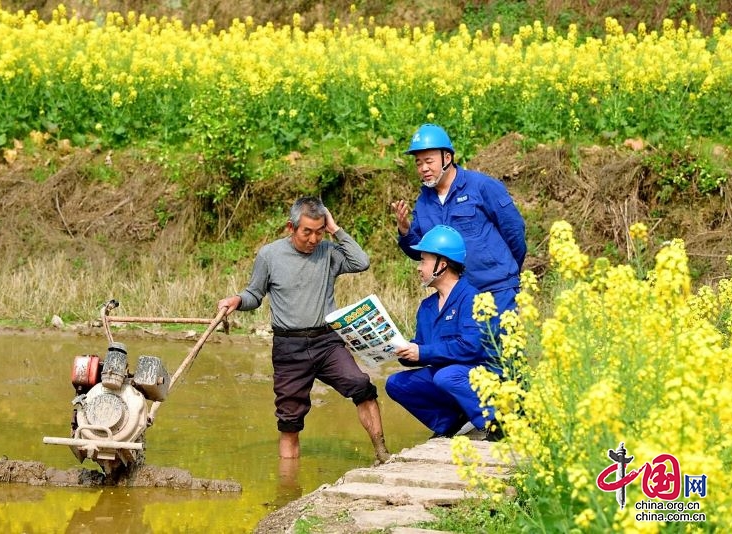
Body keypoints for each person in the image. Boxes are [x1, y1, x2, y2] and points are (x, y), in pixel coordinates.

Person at [217, 196, 391, 463]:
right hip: (289, 348)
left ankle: (382, 453)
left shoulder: (328, 253)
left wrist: (335, 230)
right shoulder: (270, 255)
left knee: (360, 385)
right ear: (291, 227)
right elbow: (254, 293)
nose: (313, 240)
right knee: (289, 421)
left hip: (327, 342)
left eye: (318, 232)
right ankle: (288, 489)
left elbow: (361, 262)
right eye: (306, 232)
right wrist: (237, 301)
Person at [391, 123, 527, 314]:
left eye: (429, 161)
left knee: (500, 344)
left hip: (497, 291)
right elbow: (421, 254)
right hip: (457, 299)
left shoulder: (482, 186)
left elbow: (514, 231)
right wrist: (405, 230)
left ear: (447, 157)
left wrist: (506, 272)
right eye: (419, 163)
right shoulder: (424, 202)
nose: (423, 168)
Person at [385, 225, 502, 439]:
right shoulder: (427, 307)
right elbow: (424, 347)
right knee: (395, 383)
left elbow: (471, 347)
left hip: (481, 374)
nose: (419, 268)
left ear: (442, 264)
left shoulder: (473, 299)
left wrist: (422, 352)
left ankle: (495, 423)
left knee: (446, 376)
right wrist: (403, 351)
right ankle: (449, 422)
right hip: (447, 376)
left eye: (423, 261)